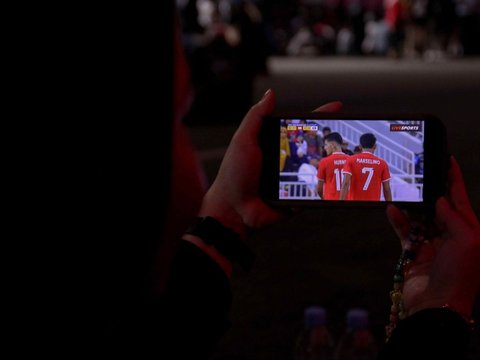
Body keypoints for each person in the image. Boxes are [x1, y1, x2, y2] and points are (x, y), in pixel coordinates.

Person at [162, 89, 479, 359]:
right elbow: (385, 191)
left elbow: (334, 189)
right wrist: (441, 307)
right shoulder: (381, 163)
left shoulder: (334, 162)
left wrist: (225, 211)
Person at [339, 133, 393, 201]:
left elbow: (345, 184)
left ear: (360, 146)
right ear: (375, 146)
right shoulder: (382, 163)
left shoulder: (351, 160)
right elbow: (387, 189)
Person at [316, 132, 350, 200]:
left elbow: (319, 189)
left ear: (333, 145)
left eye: (326, 144)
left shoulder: (324, 161)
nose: (325, 148)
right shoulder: (351, 159)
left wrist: (323, 198)